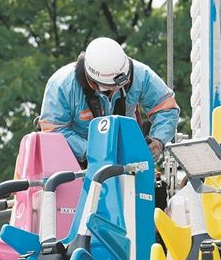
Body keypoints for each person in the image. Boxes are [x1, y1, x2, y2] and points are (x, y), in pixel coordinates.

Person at [38, 37, 180, 165]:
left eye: (121, 86)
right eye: (109, 89)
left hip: (127, 158)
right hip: (77, 164)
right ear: (93, 83)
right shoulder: (62, 86)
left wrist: (158, 140)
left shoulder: (141, 75)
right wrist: (93, 152)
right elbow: (54, 131)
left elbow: (166, 108)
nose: (116, 91)